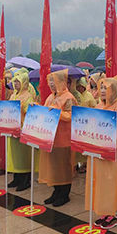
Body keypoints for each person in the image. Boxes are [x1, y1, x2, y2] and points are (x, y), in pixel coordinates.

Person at [86, 76, 117, 229]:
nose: (103, 91)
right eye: (102, 88)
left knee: (112, 182)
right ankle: (104, 211)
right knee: (101, 181)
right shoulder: (99, 106)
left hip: (114, 153)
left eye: (106, 88)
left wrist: (109, 143)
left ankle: (115, 214)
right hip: (99, 151)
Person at [39, 69, 76, 207]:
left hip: (64, 139)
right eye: (50, 81)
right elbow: (45, 111)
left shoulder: (69, 97)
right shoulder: (50, 97)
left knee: (64, 167)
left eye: (53, 81)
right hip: (51, 139)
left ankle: (64, 194)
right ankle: (56, 190)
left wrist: (57, 113)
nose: (51, 84)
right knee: (54, 168)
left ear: (61, 82)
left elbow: (72, 116)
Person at [7, 72, 35, 191]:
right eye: (15, 81)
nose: (15, 83)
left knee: (24, 156)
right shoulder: (13, 95)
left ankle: (25, 180)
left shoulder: (27, 96)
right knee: (15, 155)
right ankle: (16, 177)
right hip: (12, 129)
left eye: (18, 81)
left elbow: (29, 113)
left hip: (22, 129)